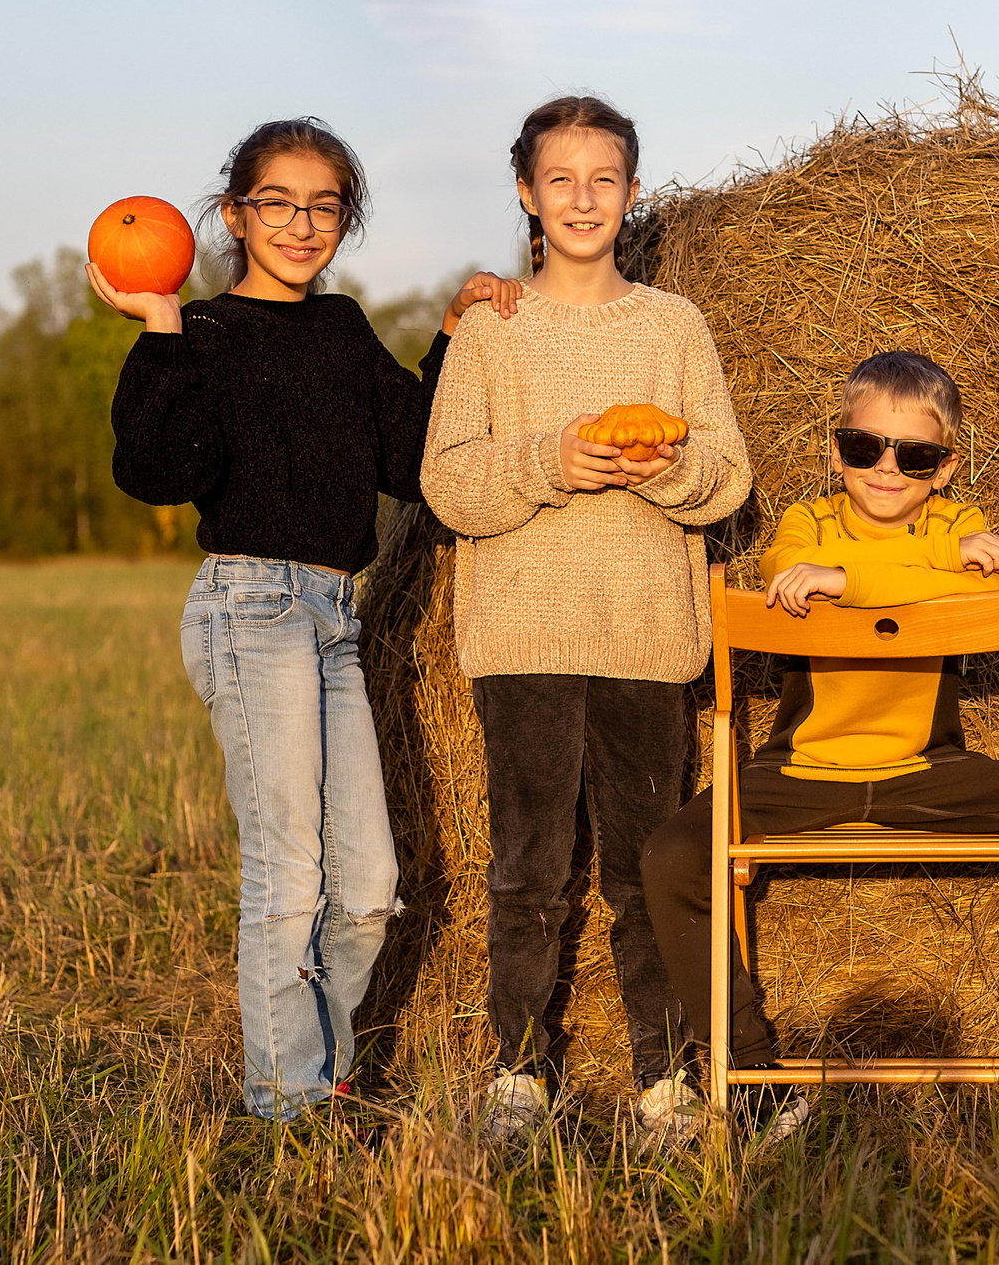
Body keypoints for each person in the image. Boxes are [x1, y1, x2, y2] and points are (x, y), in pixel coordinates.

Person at [99, 115, 516, 1123]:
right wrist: (157, 321)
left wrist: (453, 336)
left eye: (324, 205)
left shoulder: (341, 333)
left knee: (368, 884)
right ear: (235, 215)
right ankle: (291, 1105)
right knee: (287, 876)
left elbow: (410, 462)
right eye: (277, 203)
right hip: (250, 606)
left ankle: (314, 1076)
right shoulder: (198, 337)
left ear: (345, 220)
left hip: (335, 612)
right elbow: (156, 473)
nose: (301, 223)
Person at [640, 351, 999, 1150]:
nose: (885, 468)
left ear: (944, 467)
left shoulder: (956, 524)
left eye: (913, 455)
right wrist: (921, 577)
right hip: (801, 770)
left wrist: (851, 580)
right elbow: (779, 576)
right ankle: (750, 1072)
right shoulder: (806, 525)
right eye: (864, 446)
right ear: (834, 448)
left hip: (929, 768)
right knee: (673, 854)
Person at [421, 95, 752, 1151]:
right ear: (526, 193)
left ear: (633, 194)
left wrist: (665, 471)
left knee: (643, 873)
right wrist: (549, 463)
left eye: (602, 179)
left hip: (646, 641)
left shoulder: (671, 327)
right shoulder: (488, 331)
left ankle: (666, 1084)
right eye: (559, 179)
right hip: (522, 640)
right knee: (526, 873)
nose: (581, 198)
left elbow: (727, 482)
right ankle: (518, 1074)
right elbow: (448, 484)